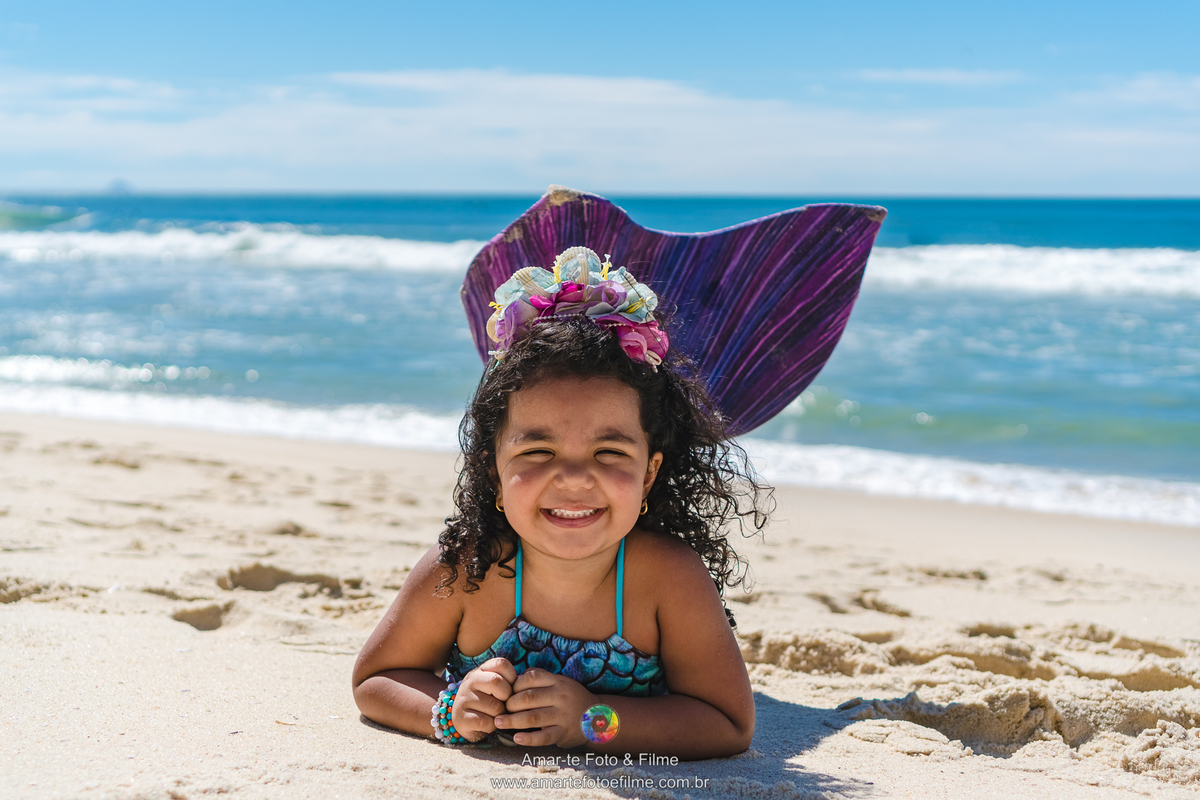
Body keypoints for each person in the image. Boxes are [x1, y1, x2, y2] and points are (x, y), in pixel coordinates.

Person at [353, 247, 771, 760]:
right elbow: (376, 679)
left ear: (649, 474)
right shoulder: (467, 567)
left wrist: (591, 721)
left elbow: (727, 722)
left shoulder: (668, 578)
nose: (574, 478)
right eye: (538, 451)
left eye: (609, 452)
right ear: (494, 471)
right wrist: (449, 711)